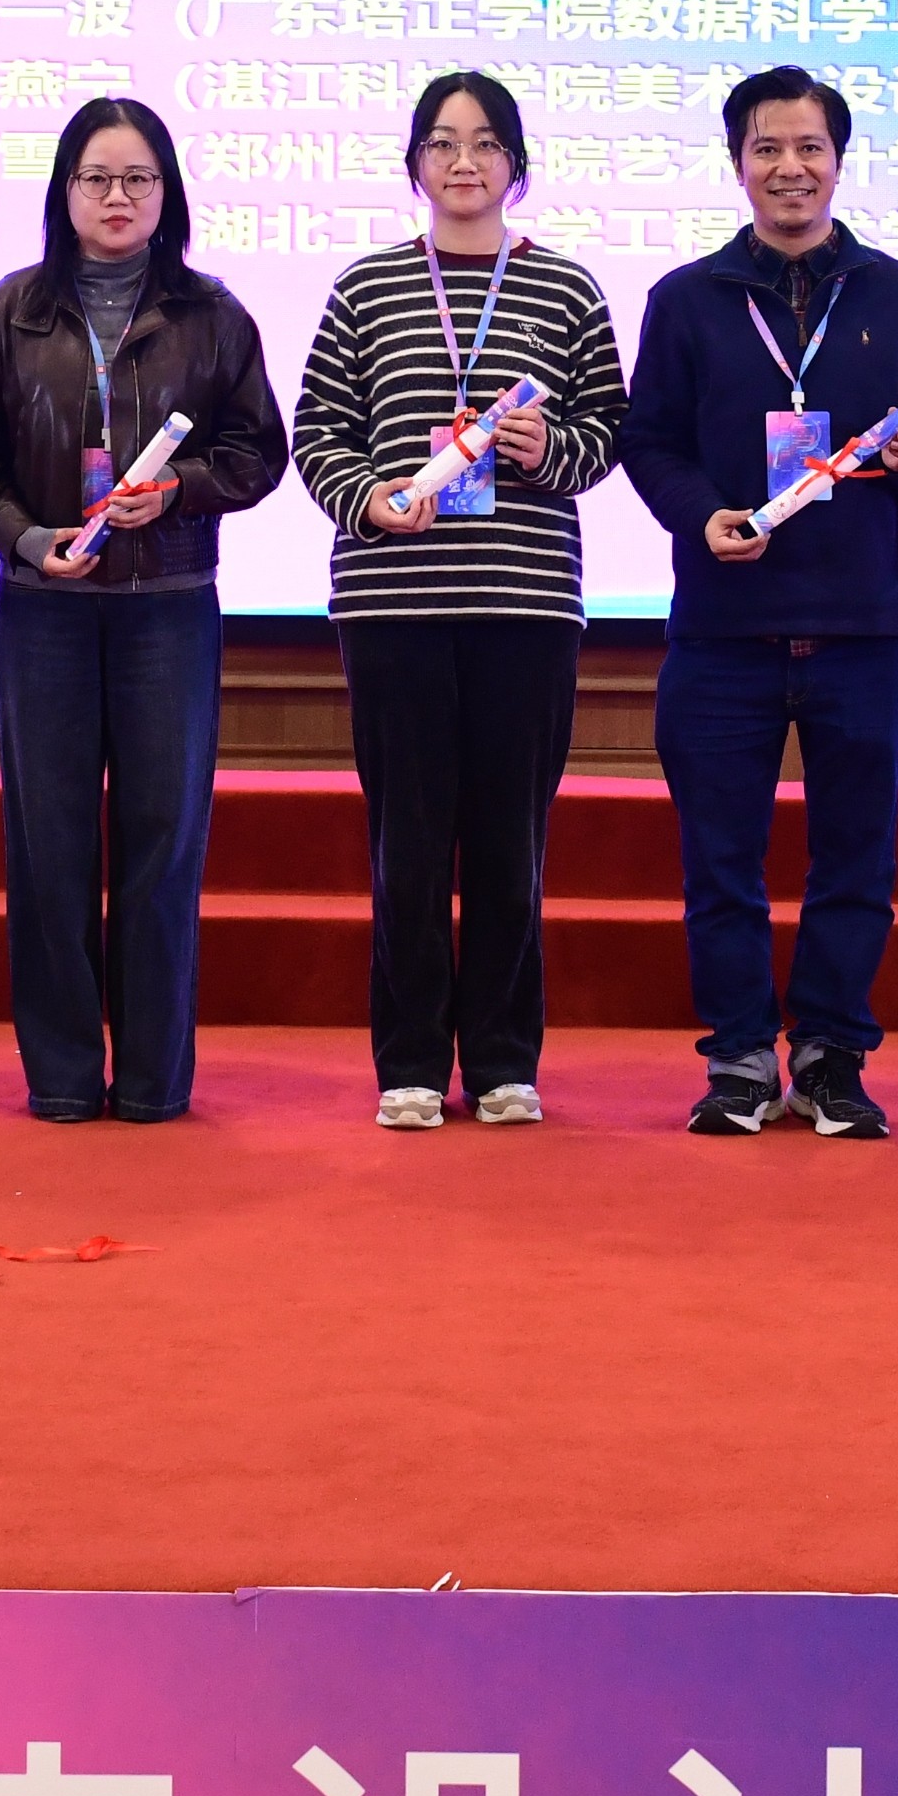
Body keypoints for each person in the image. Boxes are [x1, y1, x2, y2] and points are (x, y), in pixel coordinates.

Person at [0, 97, 290, 1126]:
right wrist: (26, 537)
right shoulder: (12, 312)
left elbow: (258, 452)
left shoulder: (212, 315)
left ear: (167, 191)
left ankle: (151, 1080)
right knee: (47, 847)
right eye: (97, 177)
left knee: (162, 843)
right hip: (44, 608)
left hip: (168, 606)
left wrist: (178, 489)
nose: (118, 196)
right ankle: (59, 1075)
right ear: (65, 190)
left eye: (139, 178)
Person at [285, 69, 631, 1130]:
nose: (464, 161)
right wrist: (366, 497)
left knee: (509, 843)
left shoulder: (566, 290)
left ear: (516, 167)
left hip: (525, 605)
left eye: (486, 144)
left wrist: (545, 447)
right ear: (415, 164)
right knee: (408, 842)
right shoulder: (368, 287)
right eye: (442, 142)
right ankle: (410, 1063)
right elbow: (317, 430)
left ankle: (504, 1058)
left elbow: (608, 433)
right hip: (393, 605)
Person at [623, 66, 898, 1140]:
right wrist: (702, 515)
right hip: (724, 628)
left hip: (863, 624)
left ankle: (831, 1058)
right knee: (720, 862)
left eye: (810, 147)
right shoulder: (687, 297)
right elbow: (649, 441)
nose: (790, 168)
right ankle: (736, 1058)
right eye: (767, 148)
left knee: (856, 861)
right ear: (738, 164)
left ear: (839, 160)